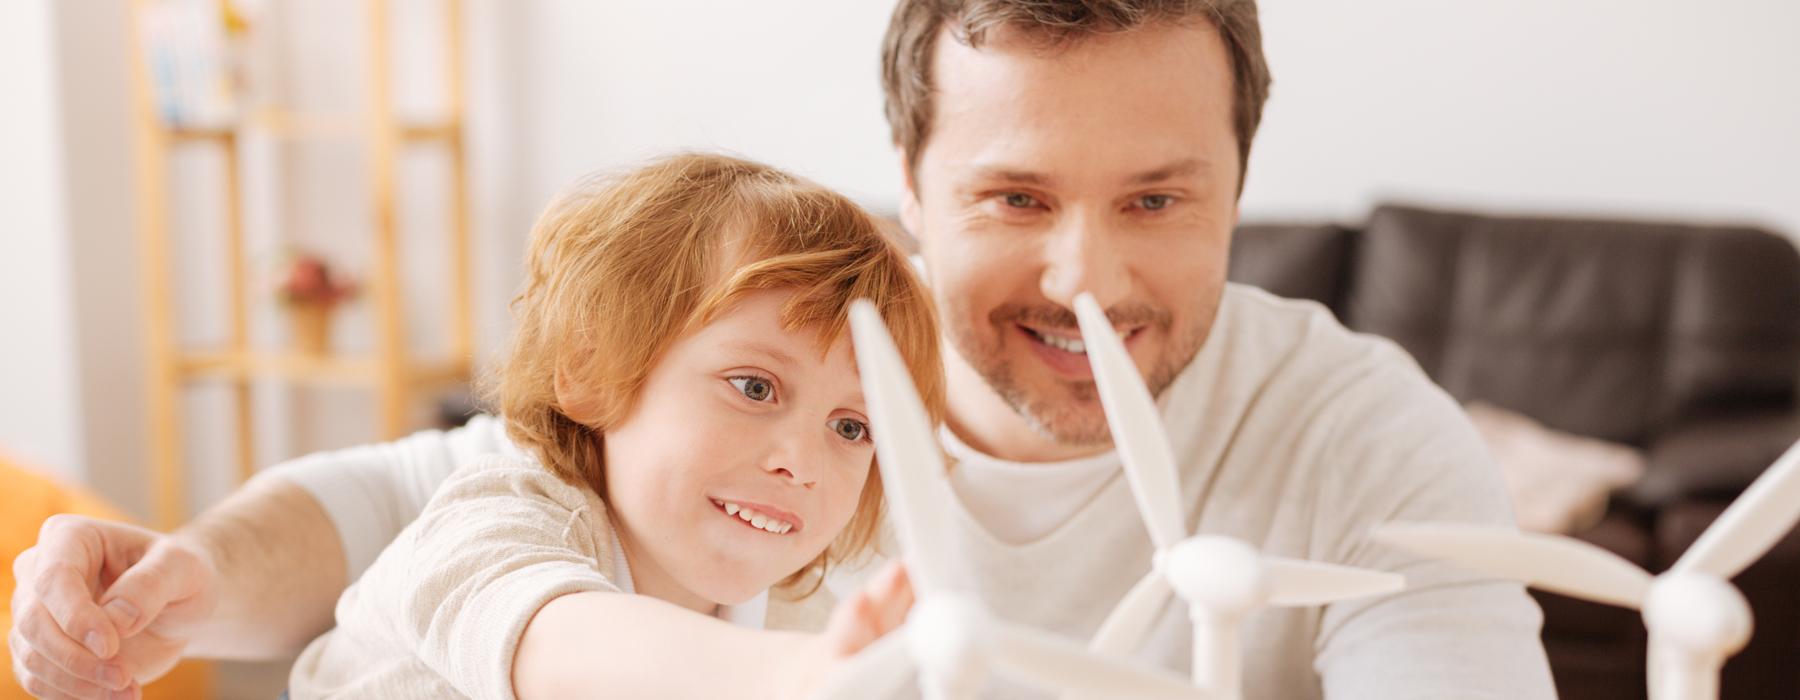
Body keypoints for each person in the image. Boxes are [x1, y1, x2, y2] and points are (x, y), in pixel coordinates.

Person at [10, 2, 1558, 698]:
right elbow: (418, 515)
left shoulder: (1366, 438)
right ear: (912, 181)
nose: (1087, 274)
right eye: (1014, 197)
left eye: (1158, 199)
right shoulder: (733, 407)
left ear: (1239, 183)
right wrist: (186, 583)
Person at [284, 152, 935, 697]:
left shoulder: (804, 623)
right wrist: (799, 675)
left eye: (852, 428)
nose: (802, 461)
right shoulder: (493, 525)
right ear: (591, 370)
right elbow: (560, 643)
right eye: (755, 388)